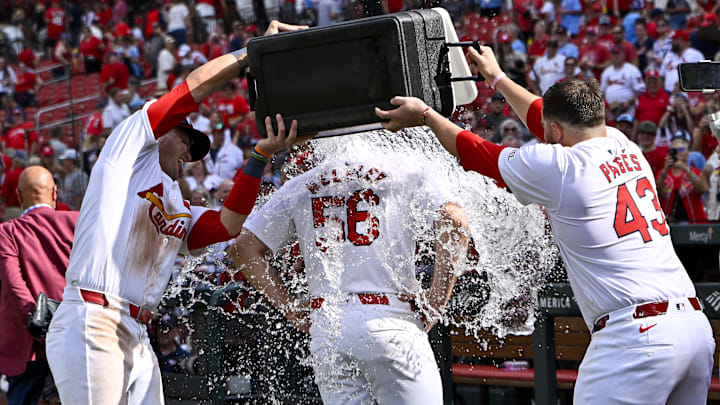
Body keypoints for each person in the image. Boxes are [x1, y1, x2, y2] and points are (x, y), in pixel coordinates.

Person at [375, 44, 714, 403]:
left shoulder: (562, 167)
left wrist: (427, 114)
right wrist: (498, 78)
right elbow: (544, 117)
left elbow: (477, 152)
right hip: (692, 327)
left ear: (555, 131)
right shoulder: (623, 143)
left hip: (636, 339)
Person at [45, 20, 305, 405]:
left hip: (136, 331)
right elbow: (190, 91)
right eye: (187, 140)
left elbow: (228, 225)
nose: (192, 153)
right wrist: (248, 54)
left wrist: (260, 155)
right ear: (163, 132)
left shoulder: (179, 205)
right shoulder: (130, 151)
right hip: (93, 319)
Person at [231, 153, 469, 405]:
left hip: (330, 328)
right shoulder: (407, 169)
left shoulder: (301, 183)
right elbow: (454, 221)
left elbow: (242, 248)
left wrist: (289, 307)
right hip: (392, 319)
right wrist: (435, 302)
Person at [0, 166, 78, 405]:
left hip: (28, 340)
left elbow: (14, 283)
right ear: (55, 193)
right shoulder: (78, 221)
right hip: (75, 331)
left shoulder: (6, 232)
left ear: (19, 195)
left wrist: (37, 320)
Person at [657, 134, 709, 223]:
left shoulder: (694, 171)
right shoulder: (663, 173)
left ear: (687, 154)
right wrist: (666, 169)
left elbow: (702, 189)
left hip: (694, 224)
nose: (678, 153)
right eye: (674, 150)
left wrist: (685, 168)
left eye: (681, 149)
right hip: (669, 223)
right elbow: (657, 192)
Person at [600, 45, 645, 119]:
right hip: (611, 110)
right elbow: (602, 93)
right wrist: (606, 107)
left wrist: (629, 102)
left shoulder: (632, 69)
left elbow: (640, 89)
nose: (616, 56)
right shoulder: (606, 72)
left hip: (628, 109)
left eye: (618, 54)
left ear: (623, 55)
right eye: (614, 54)